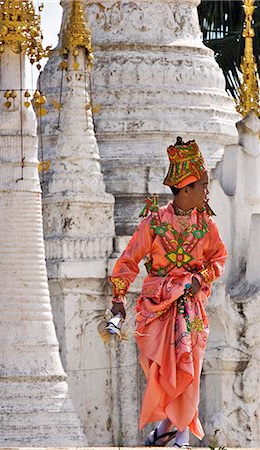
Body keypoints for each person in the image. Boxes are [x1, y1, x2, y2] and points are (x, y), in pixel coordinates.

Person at [109, 137, 227, 448]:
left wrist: (201, 278)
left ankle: (180, 435)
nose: (206, 191)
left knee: (189, 364)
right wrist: (118, 300)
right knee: (162, 373)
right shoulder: (154, 223)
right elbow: (129, 260)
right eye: (202, 185)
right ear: (186, 189)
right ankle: (166, 429)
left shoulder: (207, 226)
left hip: (190, 307)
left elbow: (219, 259)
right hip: (157, 307)